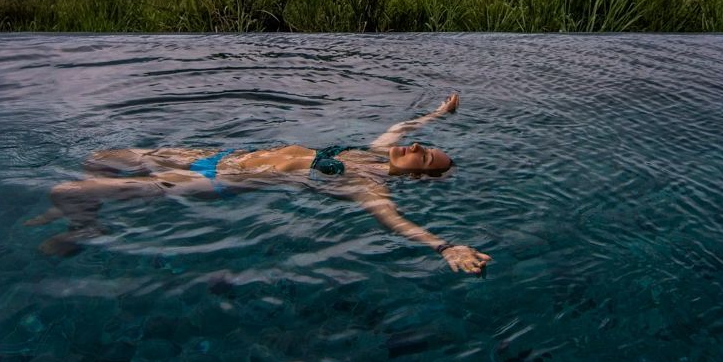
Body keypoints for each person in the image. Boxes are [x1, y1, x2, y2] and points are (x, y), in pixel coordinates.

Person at [26, 93, 491, 274]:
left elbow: (396, 224)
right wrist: (438, 113)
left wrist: (443, 246)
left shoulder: (370, 187)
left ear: (418, 178)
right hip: (217, 157)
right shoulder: (370, 153)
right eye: (422, 146)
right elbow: (403, 128)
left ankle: (82, 223)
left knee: (65, 190)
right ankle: (85, 220)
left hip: (214, 182)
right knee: (99, 159)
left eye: (423, 158)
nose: (414, 149)